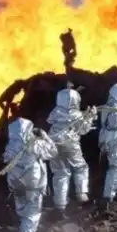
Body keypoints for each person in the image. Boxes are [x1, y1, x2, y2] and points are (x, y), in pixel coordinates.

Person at [3, 118, 58, 232]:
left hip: (15, 180)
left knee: (21, 204)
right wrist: (45, 137)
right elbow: (53, 152)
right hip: (33, 180)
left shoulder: (11, 145)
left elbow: (5, 159)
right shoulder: (36, 143)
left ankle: (24, 228)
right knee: (33, 207)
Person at [46, 88, 97, 217]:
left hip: (53, 144)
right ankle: (81, 194)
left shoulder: (55, 113)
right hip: (70, 144)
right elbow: (83, 130)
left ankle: (60, 205)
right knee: (80, 167)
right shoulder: (76, 114)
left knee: (61, 173)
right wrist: (90, 116)